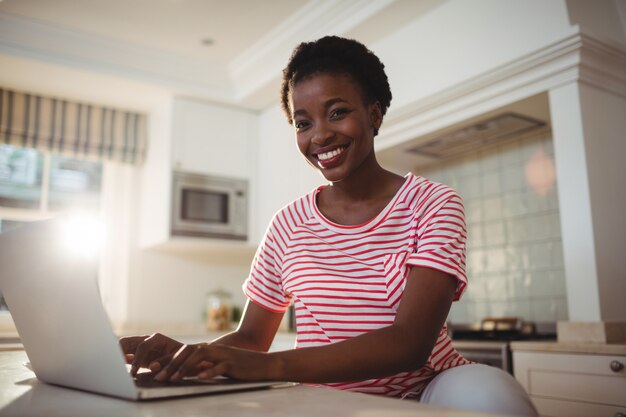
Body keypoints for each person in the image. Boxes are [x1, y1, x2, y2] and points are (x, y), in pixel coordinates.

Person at [121, 36, 537, 416]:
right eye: (303, 123)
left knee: (491, 396)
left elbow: (409, 343)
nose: (320, 135)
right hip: (324, 398)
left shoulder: (432, 203)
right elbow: (251, 338)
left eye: (337, 112)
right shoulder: (288, 223)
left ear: (374, 114)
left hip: (428, 391)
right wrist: (186, 358)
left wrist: (274, 365)